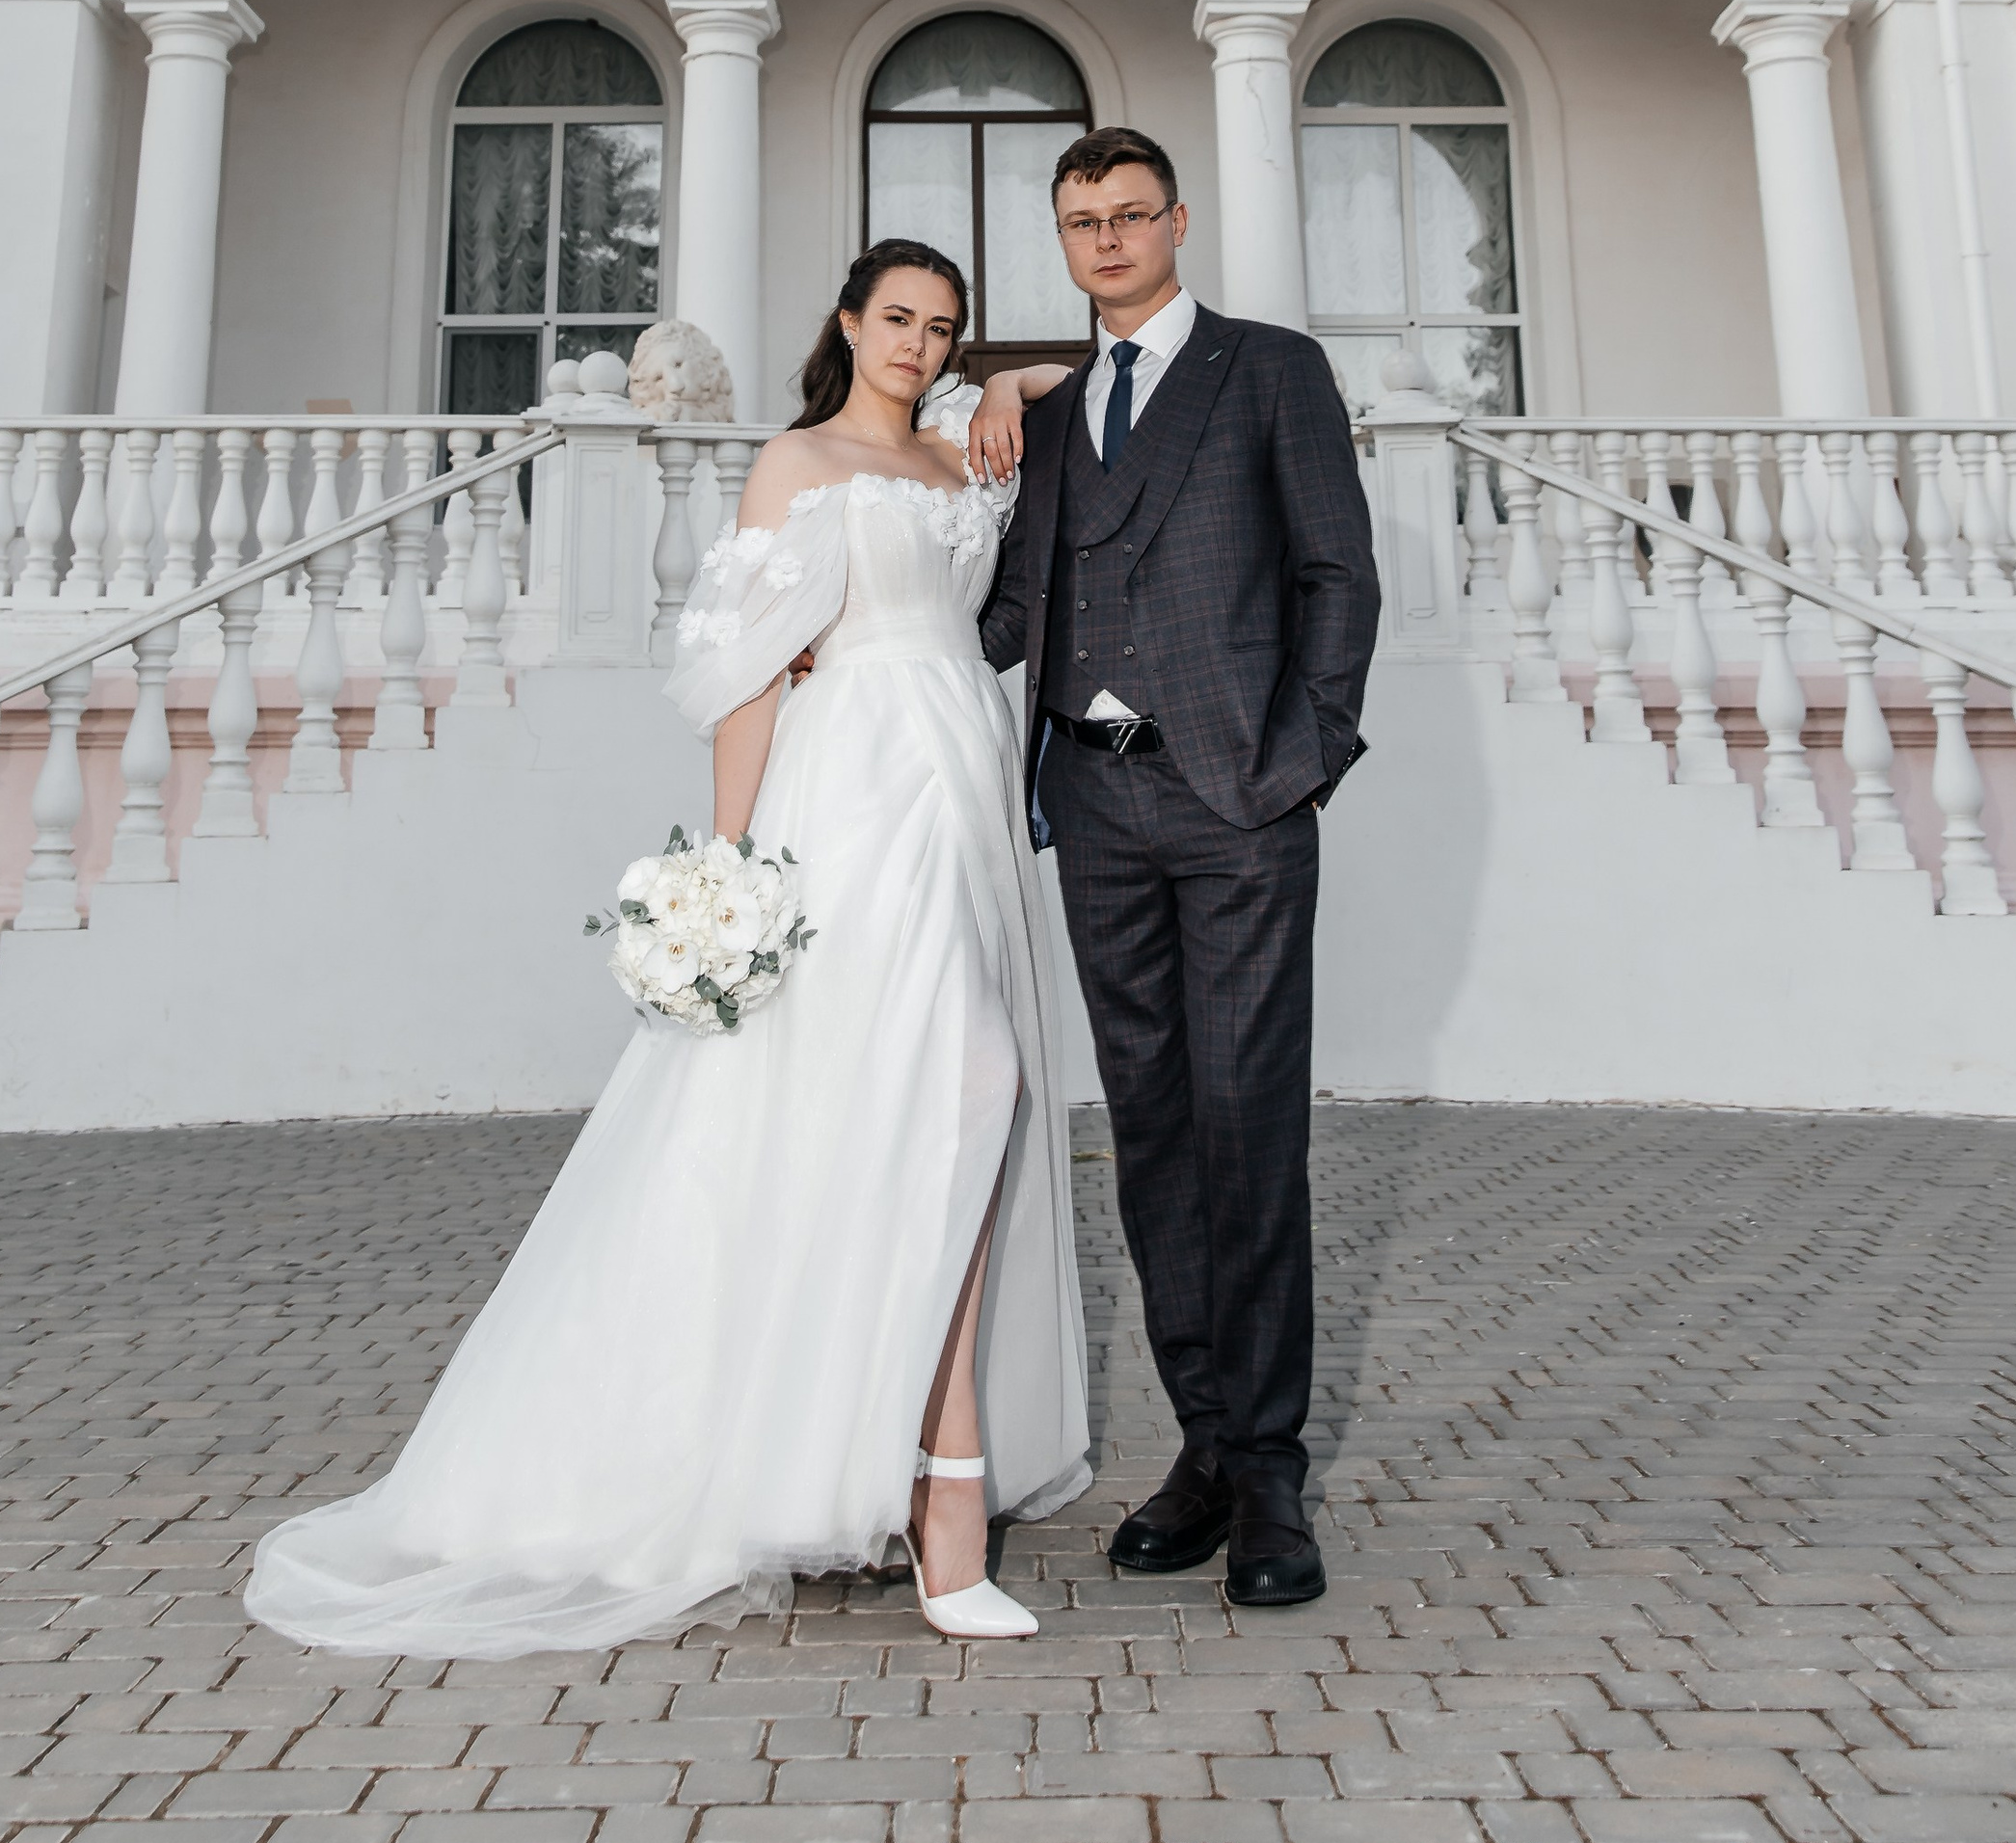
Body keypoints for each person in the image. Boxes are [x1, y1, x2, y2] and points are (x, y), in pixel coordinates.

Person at [244, 240, 1089, 1658]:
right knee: (958, 1089)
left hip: (965, 786)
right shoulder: (795, 465)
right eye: (897, 319)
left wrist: (1009, 380)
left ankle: (877, 1446)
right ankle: (945, 1497)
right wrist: (732, 863)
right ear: (846, 321)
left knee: (938, 1109)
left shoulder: (963, 451)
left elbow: (1091, 372)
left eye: (943, 329)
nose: (919, 345)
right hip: (857, 791)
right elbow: (748, 674)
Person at [970, 126, 1379, 1610]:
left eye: (1131, 216)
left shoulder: (1270, 372)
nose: (1108, 241)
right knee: (1149, 1134)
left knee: (1248, 1130)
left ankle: (1271, 1479)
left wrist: (1303, 760)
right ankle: (1204, 1443)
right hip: (1096, 806)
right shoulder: (1057, 411)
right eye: (1081, 222)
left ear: (1178, 223)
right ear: (1063, 240)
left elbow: (1339, 573)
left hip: (1236, 807)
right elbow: (1011, 614)